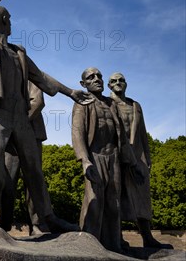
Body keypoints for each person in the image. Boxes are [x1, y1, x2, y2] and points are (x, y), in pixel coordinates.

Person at [0, 0, 90, 231]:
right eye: (10, 18)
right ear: (3, 19)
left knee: (34, 169)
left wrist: (70, 92)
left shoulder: (19, 53)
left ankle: (47, 216)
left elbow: (42, 77)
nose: (12, 22)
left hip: (20, 115)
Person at [72, 67, 142, 252]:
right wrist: (84, 160)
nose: (97, 79)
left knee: (114, 203)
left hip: (114, 158)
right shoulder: (82, 103)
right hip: (95, 157)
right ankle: (89, 245)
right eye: (91, 77)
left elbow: (123, 138)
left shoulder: (111, 104)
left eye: (99, 76)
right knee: (94, 200)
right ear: (83, 84)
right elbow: (77, 133)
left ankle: (113, 246)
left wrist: (133, 162)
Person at [108, 72, 172, 249]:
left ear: (126, 84)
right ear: (109, 86)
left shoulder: (135, 105)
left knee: (142, 196)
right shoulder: (107, 104)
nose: (118, 83)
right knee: (117, 197)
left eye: (121, 80)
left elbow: (142, 133)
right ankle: (117, 238)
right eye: (114, 81)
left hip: (137, 156)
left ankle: (147, 237)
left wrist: (147, 157)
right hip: (116, 156)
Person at [0, 82, 49, 234]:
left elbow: (37, 101)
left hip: (31, 134)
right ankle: (4, 223)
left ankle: (36, 224)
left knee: (33, 181)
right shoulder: (3, 77)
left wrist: (19, 125)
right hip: (10, 140)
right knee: (7, 181)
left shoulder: (30, 76)